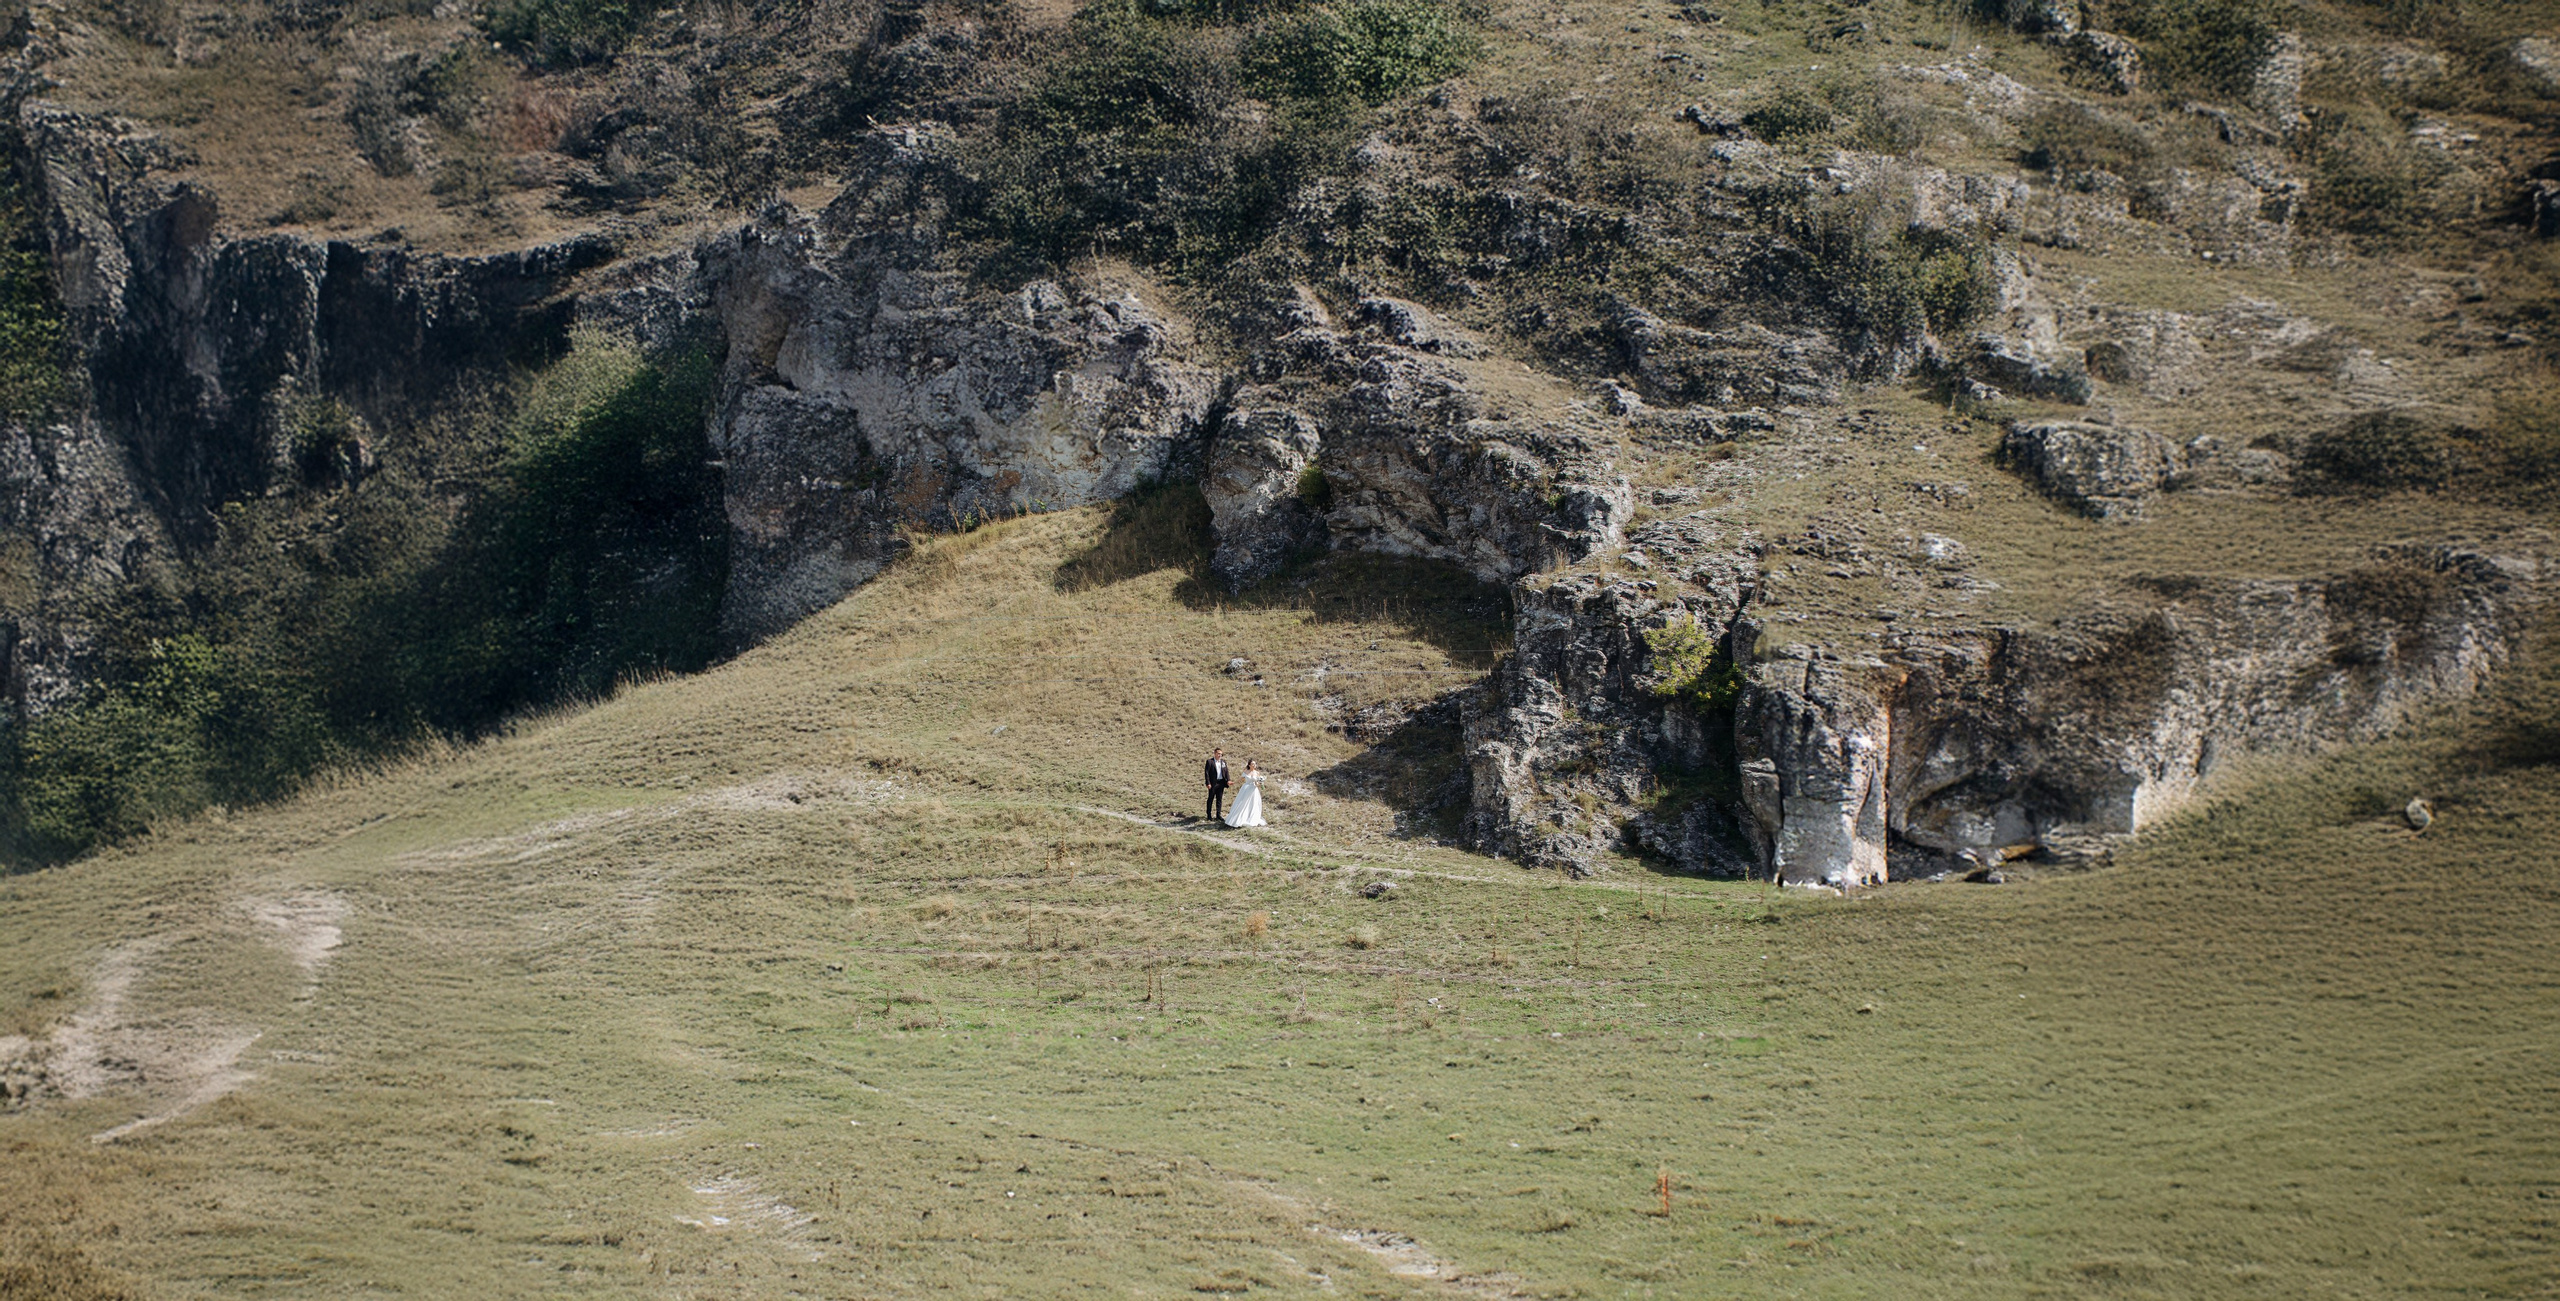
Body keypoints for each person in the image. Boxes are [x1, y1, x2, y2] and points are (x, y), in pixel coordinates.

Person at [1223, 760, 1267, 828]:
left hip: (1253, 789)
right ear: (1249, 765)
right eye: (1252, 764)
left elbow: (1256, 783)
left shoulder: (1257, 773)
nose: (1254, 765)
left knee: (1253, 804)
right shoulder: (1246, 771)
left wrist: (1260, 784)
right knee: (1242, 803)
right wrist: (1234, 782)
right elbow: (1240, 779)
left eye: (1255, 764)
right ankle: (1238, 818)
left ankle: (1251, 817)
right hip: (1246, 788)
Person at [1203, 748, 1230, 822]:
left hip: (1221, 783)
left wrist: (1228, 780)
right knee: (1210, 798)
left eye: (1221, 754)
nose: (1219, 755)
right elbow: (1207, 773)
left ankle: (1218, 814)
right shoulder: (1210, 761)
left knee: (1219, 799)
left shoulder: (1223, 762)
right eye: (1218, 753)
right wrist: (1208, 783)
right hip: (1213, 783)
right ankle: (1209, 815)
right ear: (1214, 753)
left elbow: (1226, 771)